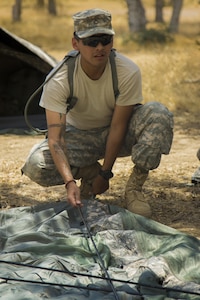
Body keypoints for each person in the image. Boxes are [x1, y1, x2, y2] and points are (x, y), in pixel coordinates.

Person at [22, 8, 174, 218]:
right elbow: (56, 140)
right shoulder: (59, 78)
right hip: (79, 137)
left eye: (105, 40)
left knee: (158, 114)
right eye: (92, 42)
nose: (100, 47)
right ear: (76, 44)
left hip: (118, 133)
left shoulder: (126, 71)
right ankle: (88, 173)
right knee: (36, 165)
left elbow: (118, 126)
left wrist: (106, 173)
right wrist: (70, 182)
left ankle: (135, 189)